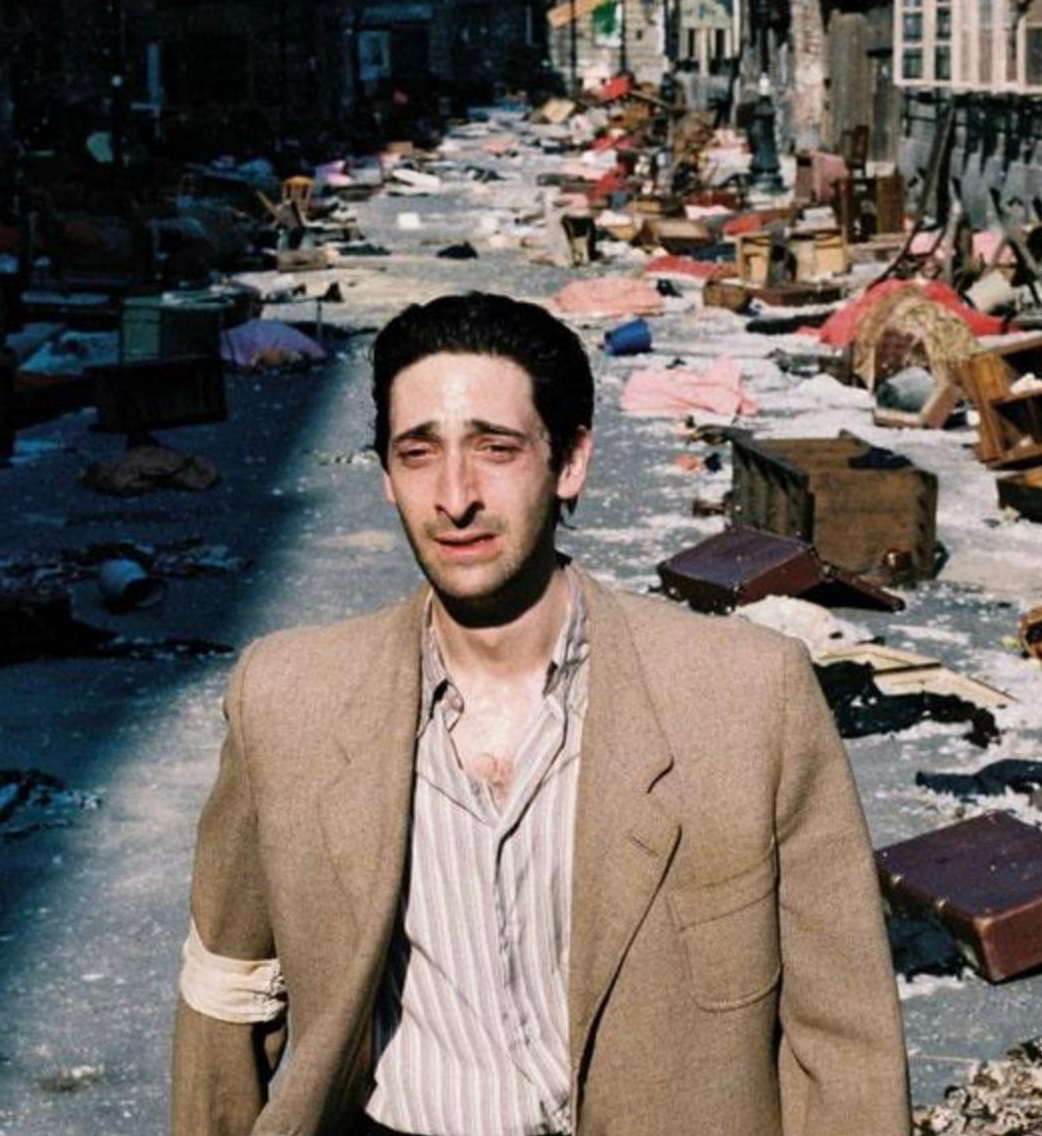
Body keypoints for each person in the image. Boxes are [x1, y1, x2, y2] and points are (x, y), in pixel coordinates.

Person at [173, 292, 910, 1136]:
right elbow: (229, 985)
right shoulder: (287, 699)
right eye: (419, 453)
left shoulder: (745, 697)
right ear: (386, 477)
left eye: (496, 449)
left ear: (570, 463)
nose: (455, 497)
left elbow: (843, 1035)